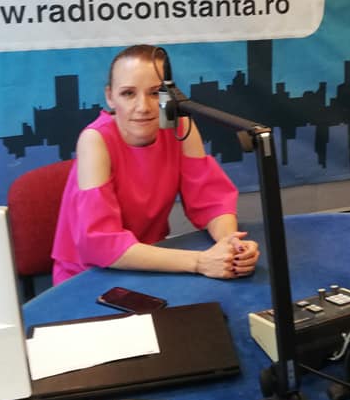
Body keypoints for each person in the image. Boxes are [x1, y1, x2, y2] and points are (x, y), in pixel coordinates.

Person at [51, 45, 260, 285]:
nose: (143, 107)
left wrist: (230, 244)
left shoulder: (180, 127)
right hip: (89, 276)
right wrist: (200, 262)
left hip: (152, 263)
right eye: (128, 93)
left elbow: (210, 201)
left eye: (154, 93)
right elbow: (100, 244)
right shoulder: (94, 140)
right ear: (110, 96)